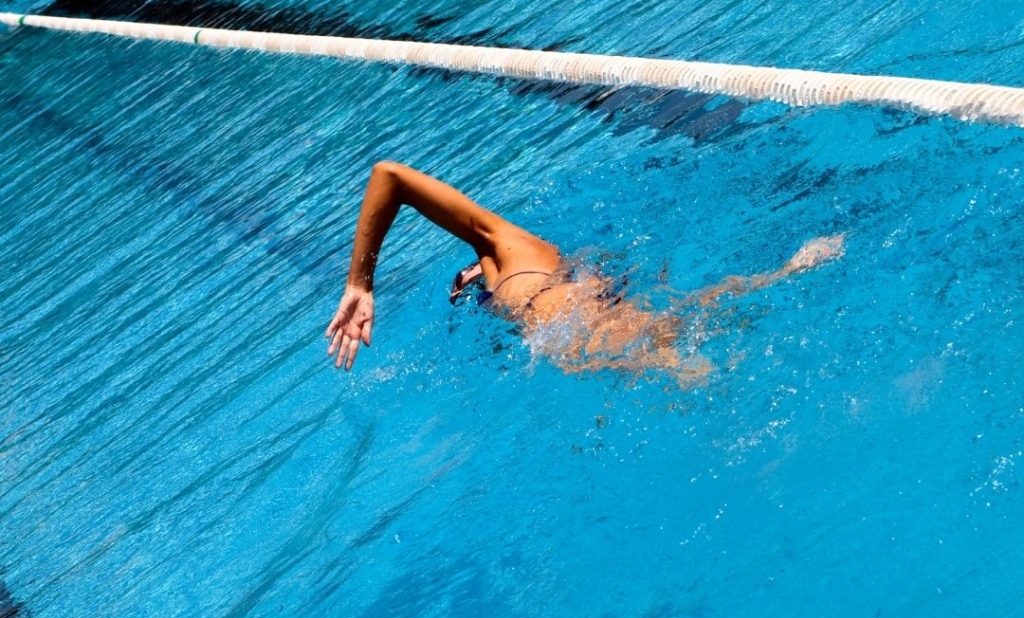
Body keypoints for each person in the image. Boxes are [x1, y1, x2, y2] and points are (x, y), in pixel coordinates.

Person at [326, 161, 844, 382]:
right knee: (700, 320)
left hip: (593, 341)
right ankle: (788, 271)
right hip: (596, 332)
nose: (463, 290)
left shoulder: (504, 248)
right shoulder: (523, 277)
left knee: (696, 376)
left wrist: (359, 284)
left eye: (461, 285)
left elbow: (387, 176)